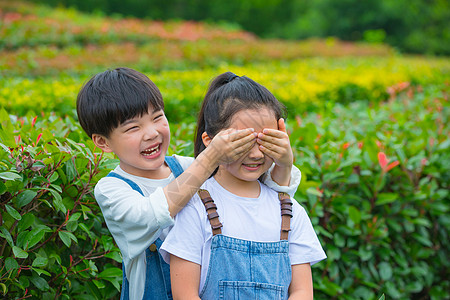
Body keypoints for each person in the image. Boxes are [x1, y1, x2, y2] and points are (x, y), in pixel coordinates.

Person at [76, 67, 302, 300]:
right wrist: (211, 156)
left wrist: (283, 162)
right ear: (103, 142)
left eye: (157, 117)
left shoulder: (187, 167)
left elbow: (265, 200)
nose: (152, 133)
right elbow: (150, 215)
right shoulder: (112, 189)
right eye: (133, 127)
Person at [160, 72, 326, 300]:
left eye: (265, 141)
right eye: (243, 142)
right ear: (211, 141)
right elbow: (184, 295)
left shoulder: (290, 211)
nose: (256, 154)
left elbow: (302, 292)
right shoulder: (195, 206)